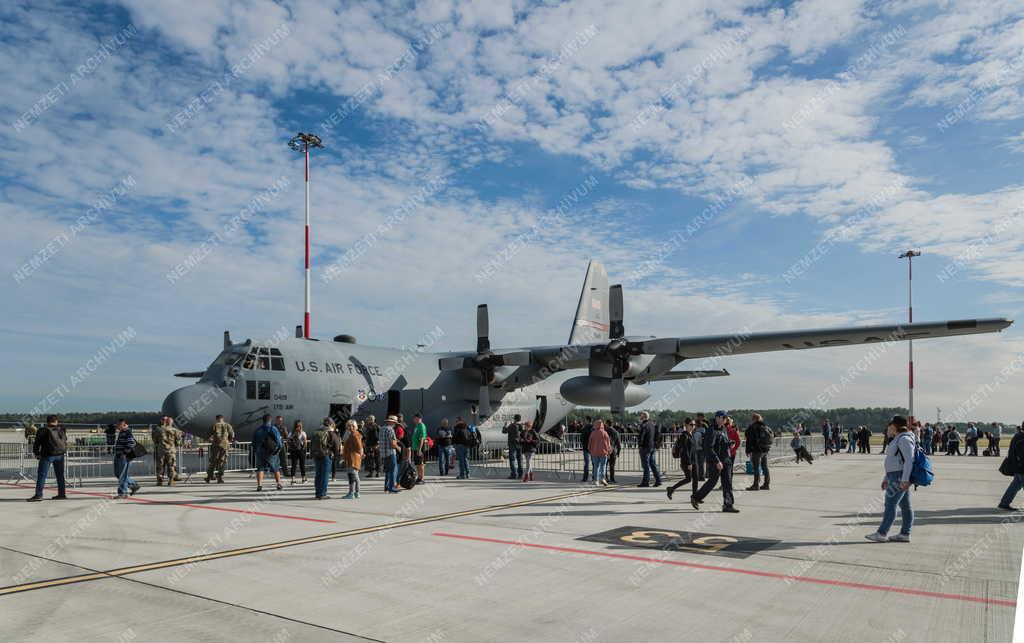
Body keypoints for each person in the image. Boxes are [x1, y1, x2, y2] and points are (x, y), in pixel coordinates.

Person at [865, 416, 916, 542]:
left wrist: (904, 479)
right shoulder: (898, 439)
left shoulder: (904, 439)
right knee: (905, 506)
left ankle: (882, 533)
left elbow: (909, 461)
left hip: (899, 476)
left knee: (890, 504)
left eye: (890, 424)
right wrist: (886, 477)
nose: (888, 427)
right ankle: (905, 533)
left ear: (896, 426)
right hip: (895, 475)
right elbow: (893, 461)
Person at [692, 412, 738, 512]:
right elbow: (709, 447)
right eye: (723, 418)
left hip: (726, 460)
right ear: (718, 418)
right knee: (712, 482)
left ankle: (728, 505)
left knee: (727, 483)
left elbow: (722, 443)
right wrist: (717, 461)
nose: (725, 420)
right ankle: (696, 497)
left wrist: (730, 444)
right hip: (716, 461)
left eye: (725, 418)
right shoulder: (711, 430)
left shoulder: (723, 429)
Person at [28, 414, 68, 501]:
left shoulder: (43, 430)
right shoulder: (62, 429)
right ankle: (62, 494)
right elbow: (65, 440)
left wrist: (36, 453)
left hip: (47, 455)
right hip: (60, 455)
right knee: (60, 475)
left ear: (47, 422)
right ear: (56, 421)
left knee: (42, 475)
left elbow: (37, 443)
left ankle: (38, 495)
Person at [253, 414, 284, 492]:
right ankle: (278, 484)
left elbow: (254, 442)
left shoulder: (258, 430)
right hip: (272, 452)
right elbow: (278, 441)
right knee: (276, 468)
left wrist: (257, 450)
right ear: (270, 420)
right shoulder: (273, 428)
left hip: (261, 452)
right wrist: (278, 449)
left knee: (260, 469)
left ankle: (259, 485)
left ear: (263, 420)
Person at [666, 418, 696, 500]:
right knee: (688, 479)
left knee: (693, 479)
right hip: (686, 461)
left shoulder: (691, 435)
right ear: (686, 425)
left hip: (692, 461)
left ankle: (695, 497)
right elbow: (685, 451)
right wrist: (689, 463)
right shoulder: (684, 436)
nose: (693, 426)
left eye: (694, 425)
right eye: (691, 425)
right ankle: (671, 489)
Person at [998, 422, 1024, 511]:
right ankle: (1004, 503)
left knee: (1015, 485)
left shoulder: (1018, 436)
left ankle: (1004, 503)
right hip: (1021, 468)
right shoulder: (1022, 438)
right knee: (1016, 485)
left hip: (1018, 467)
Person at [744, 413, 773, 491]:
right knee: (765, 467)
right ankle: (766, 484)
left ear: (754, 419)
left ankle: (756, 485)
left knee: (756, 467)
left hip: (757, 450)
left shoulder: (753, 427)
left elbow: (749, 440)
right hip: (765, 450)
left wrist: (748, 450)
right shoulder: (765, 427)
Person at [113, 419, 140, 499]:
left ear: (122, 424)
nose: (117, 427)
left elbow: (131, 443)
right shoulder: (122, 432)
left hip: (124, 457)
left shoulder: (127, 432)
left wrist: (124, 453)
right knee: (118, 474)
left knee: (122, 475)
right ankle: (134, 485)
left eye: (118, 425)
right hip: (118, 456)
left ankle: (122, 493)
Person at [310, 418, 336, 500]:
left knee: (318, 475)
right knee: (325, 475)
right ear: (331, 424)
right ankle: (323, 493)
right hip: (326, 456)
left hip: (317, 455)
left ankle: (317, 493)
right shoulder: (330, 432)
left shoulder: (317, 431)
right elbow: (337, 446)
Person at [637, 411, 662, 487]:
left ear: (643, 417)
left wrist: (640, 445)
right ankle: (658, 480)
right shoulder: (652, 424)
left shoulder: (643, 425)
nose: (640, 417)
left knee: (646, 466)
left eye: (641, 415)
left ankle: (645, 482)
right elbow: (656, 435)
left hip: (645, 447)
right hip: (652, 447)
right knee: (653, 464)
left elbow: (641, 436)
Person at [206, 415, 234, 483]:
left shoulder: (214, 425)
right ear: (223, 418)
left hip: (216, 446)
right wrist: (228, 441)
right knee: (222, 462)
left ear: (216, 419)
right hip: (225, 446)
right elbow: (232, 435)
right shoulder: (228, 425)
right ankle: (219, 478)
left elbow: (208, 435)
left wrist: (212, 441)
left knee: (213, 461)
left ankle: (209, 477)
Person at [157, 417, 183, 486]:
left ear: (166, 422)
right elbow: (178, 440)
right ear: (171, 422)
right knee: (171, 465)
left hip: (161, 450)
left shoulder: (159, 429)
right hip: (171, 450)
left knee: (161, 466)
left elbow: (155, 439)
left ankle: (160, 481)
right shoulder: (175, 430)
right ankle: (171, 480)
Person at [341, 419, 363, 499]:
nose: (350, 428)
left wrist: (360, 454)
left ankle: (351, 493)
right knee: (355, 476)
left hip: (353, 458)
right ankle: (357, 492)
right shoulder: (354, 434)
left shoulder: (354, 435)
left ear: (355, 426)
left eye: (351, 426)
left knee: (352, 476)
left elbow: (359, 447)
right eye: (348, 426)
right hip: (353, 457)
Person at [588, 419, 613, 487]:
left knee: (596, 467)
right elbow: (608, 443)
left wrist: (589, 450)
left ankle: (596, 480)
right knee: (603, 466)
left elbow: (590, 443)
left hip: (594, 452)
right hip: (603, 452)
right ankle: (602, 478)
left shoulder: (593, 433)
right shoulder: (605, 433)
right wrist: (609, 451)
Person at [380, 415, 401, 493]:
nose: (395, 424)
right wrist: (399, 448)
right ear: (391, 422)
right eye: (394, 422)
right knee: (393, 471)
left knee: (388, 471)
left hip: (383, 454)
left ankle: (386, 487)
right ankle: (391, 488)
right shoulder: (390, 430)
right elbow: (392, 444)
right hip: (390, 453)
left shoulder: (382, 428)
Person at [503, 415, 524, 480]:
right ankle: (520, 474)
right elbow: (522, 434)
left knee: (512, 459)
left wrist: (505, 425)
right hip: (519, 444)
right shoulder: (520, 426)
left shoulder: (511, 426)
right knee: (519, 459)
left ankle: (513, 474)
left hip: (512, 444)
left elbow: (504, 431)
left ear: (514, 419)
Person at [410, 413, 429, 484]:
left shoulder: (421, 426)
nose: (413, 420)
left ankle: (422, 478)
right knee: (417, 464)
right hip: (415, 447)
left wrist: (419, 449)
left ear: (418, 418)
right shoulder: (417, 426)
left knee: (421, 463)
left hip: (419, 448)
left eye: (414, 418)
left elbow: (422, 439)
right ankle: (419, 477)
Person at [287, 420, 308, 484]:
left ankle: (293, 479)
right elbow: (305, 442)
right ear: (301, 426)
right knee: (302, 465)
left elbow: (288, 442)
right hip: (301, 450)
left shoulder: (291, 433)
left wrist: (290, 448)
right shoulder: (303, 433)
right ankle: (303, 479)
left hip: (293, 451)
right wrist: (304, 448)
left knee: (293, 465)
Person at [579, 417, 593, 482]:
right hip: (593, 447)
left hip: (586, 447)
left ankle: (585, 478)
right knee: (594, 463)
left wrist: (583, 444)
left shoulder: (584, 428)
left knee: (586, 463)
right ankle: (594, 477)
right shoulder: (594, 428)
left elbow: (581, 438)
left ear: (587, 420)